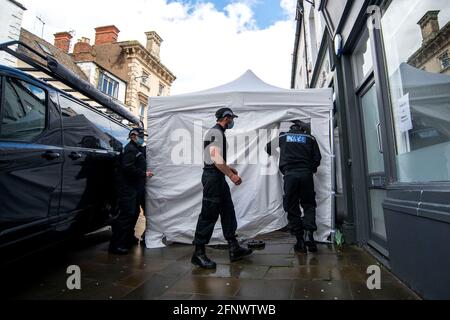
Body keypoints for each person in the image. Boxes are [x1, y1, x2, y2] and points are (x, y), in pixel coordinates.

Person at [191, 108, 253, 269]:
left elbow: (217, 159)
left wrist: (228, 168)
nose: (233, 121)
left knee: (227, 210)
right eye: (232, 118)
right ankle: (198, 253)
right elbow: (215, 158)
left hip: (217, 176)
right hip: (213, 178)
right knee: (208, 214)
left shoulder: (218, 133)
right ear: (227, 118)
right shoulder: (215, 132)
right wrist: (232, 176)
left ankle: (234, 247)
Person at [266, 120, 322, 253]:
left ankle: (300, 241)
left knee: (292, 206)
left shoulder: (284, 137)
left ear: (291, 129)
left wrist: (282, 153)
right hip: (306, 175)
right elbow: (317, 158)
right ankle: (309, 234)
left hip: (290, 175)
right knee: (308, 204)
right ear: (302, 130)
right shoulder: (310, 138)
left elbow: (267, 148)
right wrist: (310, 169)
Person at [109, 128, 153, 255]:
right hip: (128, 187)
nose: (142, 139)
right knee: (126, 214)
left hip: (134, 186)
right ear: (133, 136)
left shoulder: (136, 149)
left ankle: (127, 239)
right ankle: (116, 245)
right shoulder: (130, 149)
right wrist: (144, 173)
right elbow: (127, 167)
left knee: (134, 213)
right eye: (140, 136)